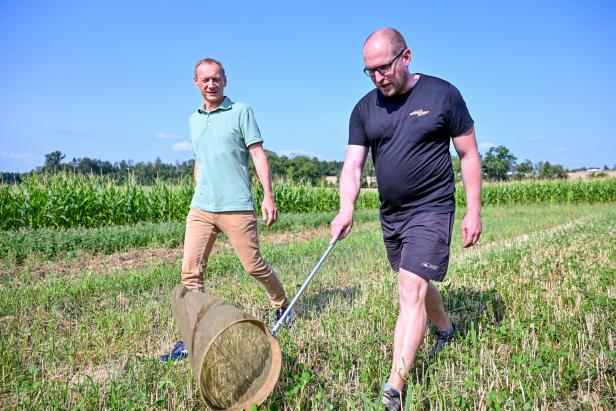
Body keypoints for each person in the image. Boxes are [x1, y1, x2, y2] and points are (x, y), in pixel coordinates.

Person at [330, 28, 482, 410]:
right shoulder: (364, 109)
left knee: (409, 289)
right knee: (411, 280)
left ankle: (394, 387)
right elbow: (352, 165)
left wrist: (473, 211)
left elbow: (469, 155)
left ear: (406, 56)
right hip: (391, 214)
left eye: (384, 67)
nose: (378, 76)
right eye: (370, 71)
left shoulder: (442, 95)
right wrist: (346, 207)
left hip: (432, 208)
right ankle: (445, 326)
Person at [159, 58, 293, 362]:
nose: (211, 84)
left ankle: (282, 303)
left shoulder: (241, 111)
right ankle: (192, 337)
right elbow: (199, 160)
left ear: (225, 81)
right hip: (202, 207)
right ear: (195, 82)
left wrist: (268, 195)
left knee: (253, 265)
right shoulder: (193, 119)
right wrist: (198, 190)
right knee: (190, 272)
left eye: (216, 79)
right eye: (205, 79)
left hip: (236, 206)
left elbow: (258, 154)